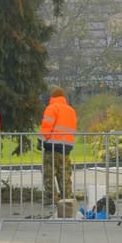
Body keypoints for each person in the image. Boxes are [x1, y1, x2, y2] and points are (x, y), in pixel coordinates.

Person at [38, 86, 77, 214]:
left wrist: (40, 141)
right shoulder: (71, 110)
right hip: (66, 149)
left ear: (52, 97)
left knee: (49, 175)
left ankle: (51, 201)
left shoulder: (52, 108)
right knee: (65, 177)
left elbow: (47, 126)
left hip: (52, 148)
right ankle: (67, 203)